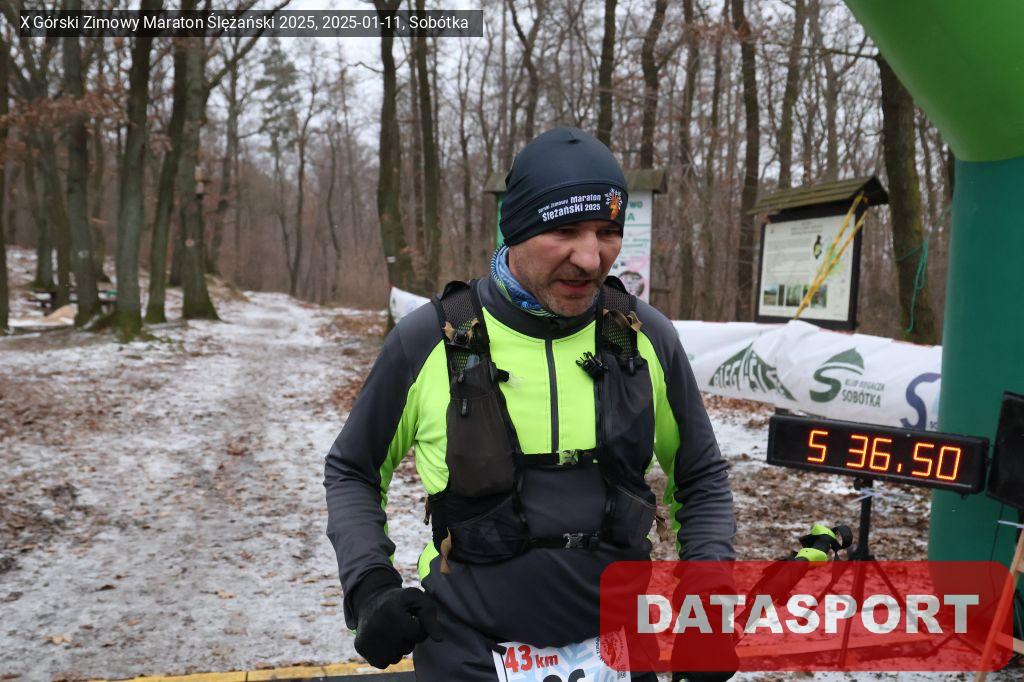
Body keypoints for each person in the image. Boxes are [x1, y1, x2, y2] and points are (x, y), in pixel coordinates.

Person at [324, 126, 736, 681]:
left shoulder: (644, 336)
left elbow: (700, 476)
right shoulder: (430, 340)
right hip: (467, 651)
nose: (590, 258)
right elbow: (353, 468)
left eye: (608, 232)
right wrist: (370, 585)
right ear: (514, 229)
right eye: (564, 230)